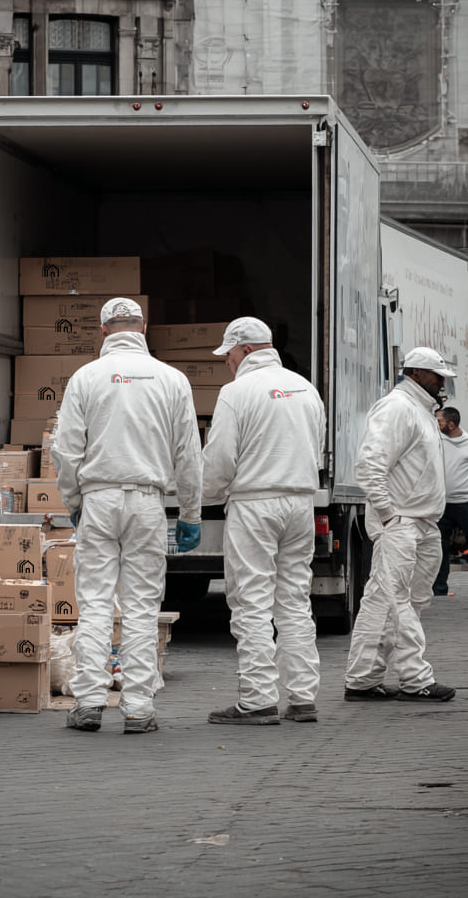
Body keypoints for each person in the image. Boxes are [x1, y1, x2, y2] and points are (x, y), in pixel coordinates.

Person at [52, 297, 203, 734]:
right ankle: (138, 709)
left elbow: (65, 451)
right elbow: (188, 455)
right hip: (147, 502)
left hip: (98, 499)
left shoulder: (85, 378)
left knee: (96, 603)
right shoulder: (172, 380)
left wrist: (75, 503)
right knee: (141, 606)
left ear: (103, 331)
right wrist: (190, 513)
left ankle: (89, 703)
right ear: (144, 328)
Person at [202, 317, 326, 726]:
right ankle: (303, 697)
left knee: (251, 601)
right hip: (300, 503)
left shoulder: (236, 393)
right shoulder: (306, 389)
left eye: (229, 354)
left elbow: (219, 460)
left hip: (256, 504)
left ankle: (257, 699)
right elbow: (318, 446)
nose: (227, 362)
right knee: (294, 600)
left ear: (245, 350)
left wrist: (201, 497)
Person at [344, 346, 457, 704]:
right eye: (439, 376)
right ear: (419, 374)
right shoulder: (398, 408)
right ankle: (415, 677)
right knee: (397, 602)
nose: (443, 384)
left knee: (389, 600)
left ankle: (363, 678)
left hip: (416, 520)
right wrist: (389, 514)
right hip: (403, 522)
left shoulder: (418, 410)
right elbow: (370, 464)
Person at [432, 406, 468, 596]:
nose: (436, 424)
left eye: (439, 421)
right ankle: (439, 588)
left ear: (450, 424)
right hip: (442, 502)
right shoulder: (436, 442)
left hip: (467, 502)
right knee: (439, 547)